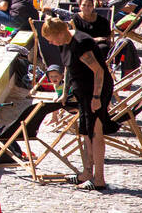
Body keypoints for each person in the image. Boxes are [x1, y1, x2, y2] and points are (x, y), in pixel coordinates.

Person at [41, 17, 114, 191]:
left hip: (96, 91)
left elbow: (99, 71)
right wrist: (65, 92)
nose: (50, 43)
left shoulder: (80, 43)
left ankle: (99, 180)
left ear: (60, 33)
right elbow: (68, 67)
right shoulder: (64, 42)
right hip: (82, 92)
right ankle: (87, 173)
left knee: (95, 133)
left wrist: (96, 98)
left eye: (51, 38)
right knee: (85, 132)